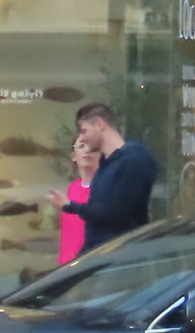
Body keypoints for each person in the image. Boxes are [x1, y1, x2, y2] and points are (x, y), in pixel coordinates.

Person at [45, 104, 158, 252]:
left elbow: (116, 214)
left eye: (84, 131)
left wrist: (70, 206)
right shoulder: (106, 163)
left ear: (99, 124)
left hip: (118, 258)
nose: (83, 139)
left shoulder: (134, 160)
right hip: (99, 256)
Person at [56, 127, 98, 266]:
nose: (87, 150)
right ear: (73, 156)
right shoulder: (73, 188)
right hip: (69, 268)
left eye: (92, 147)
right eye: (81, 146)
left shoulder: (108, 187)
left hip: (94, 266)